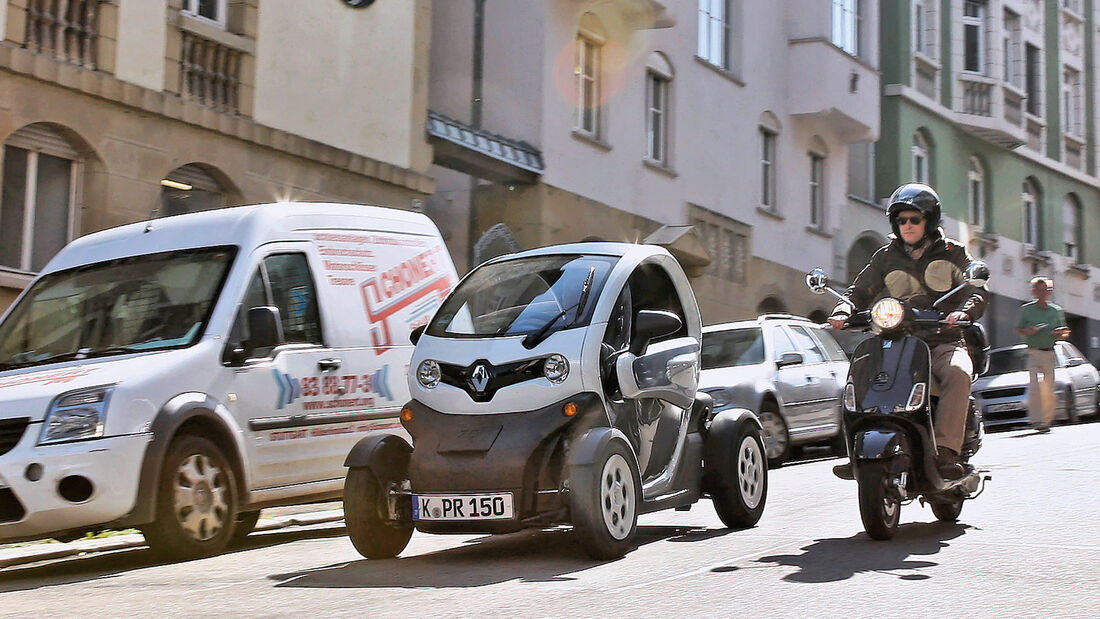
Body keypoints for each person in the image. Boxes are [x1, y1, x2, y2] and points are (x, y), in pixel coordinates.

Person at [829, 183, 988, 480]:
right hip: (895, 341)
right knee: (858, 374)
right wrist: (843, 309)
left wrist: (963, 312)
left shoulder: (953, 252)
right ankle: (857, 452)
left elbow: (976, 291)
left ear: (929, 220)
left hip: (942, 340)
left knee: (958, 372)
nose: (908, 225)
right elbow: (860, 289)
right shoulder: (885, 256)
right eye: (902, 220)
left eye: (915, 219)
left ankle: (947, 450)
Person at [1015, 277, 1070, 433]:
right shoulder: (1026, 310)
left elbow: (1065, 332)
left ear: (1049, 292)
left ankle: (1046, 421)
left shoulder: (1056, 310)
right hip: (1033, 351)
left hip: (1050, 352)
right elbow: (1019, 329)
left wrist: (1059, 333)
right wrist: (1028, 331)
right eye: (1038, 289)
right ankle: (1036, 420)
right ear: (1033, 291)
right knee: (1034, 386)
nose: (1042, 292)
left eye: (1045, 289)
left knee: (1048, 388)